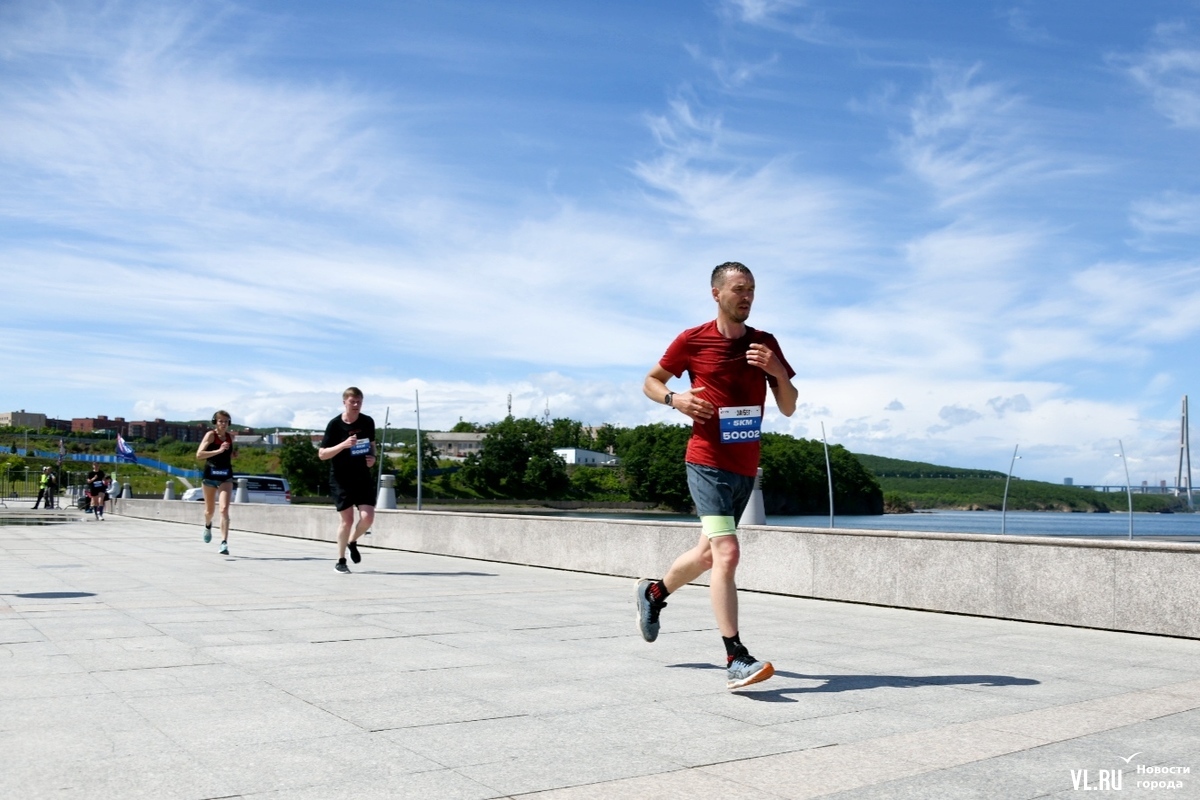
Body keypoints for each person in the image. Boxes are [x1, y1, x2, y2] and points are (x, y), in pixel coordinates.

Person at [636, 262, 798, 690]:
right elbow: (650, 382)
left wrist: (777, 372)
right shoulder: (692, 340)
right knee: (727, 554)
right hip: (706, 463)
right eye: (739, 289)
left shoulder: (765, 343)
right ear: (717, 294)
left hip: (745, 466)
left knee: (708, 555)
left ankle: (654, 595)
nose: (746, 297)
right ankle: (736, 656)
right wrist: (676, 399)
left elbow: (788, 406)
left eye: (752, 290)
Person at [318, 387, 376, 574]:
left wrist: (373, 459)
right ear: (345, 402)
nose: (356, 405)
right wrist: (343, 445)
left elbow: (372, 446)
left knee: (368, 518)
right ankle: (340, 560)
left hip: (362, 476)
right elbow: (322, 454)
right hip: (341, 478)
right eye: (353, 401)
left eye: (359, 401)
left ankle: (352, 542)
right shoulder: (335, 425)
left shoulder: (367, 422)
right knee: (348, 520)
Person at [196, 411, 236, 555]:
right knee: (209, 511)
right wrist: (219, 450)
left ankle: (224, 543)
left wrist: (232, 454)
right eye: (220, 421)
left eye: (226, 421)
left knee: (224, 509)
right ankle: (207, 525)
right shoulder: (210, 435)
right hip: (210, 476)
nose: (223, 424)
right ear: (215, 422)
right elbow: (199, 455)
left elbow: (229, 454)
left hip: (226, 476)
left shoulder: (230, 437)